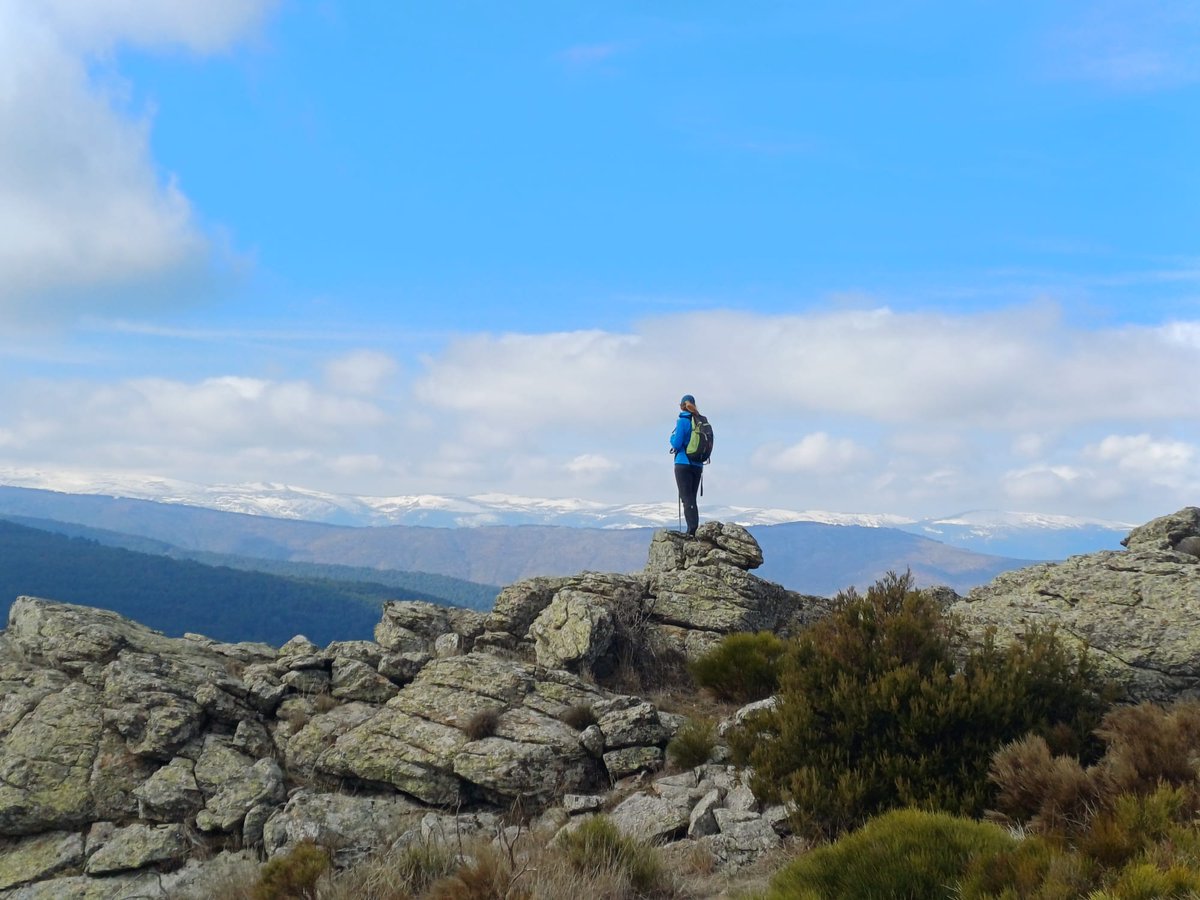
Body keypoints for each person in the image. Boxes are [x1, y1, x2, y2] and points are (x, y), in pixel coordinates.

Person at [670, 393, 704, 536]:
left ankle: (692, 530)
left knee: (686, 498)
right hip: (698, 464)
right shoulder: (700, 421)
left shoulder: (682, 421)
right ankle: (694, 528)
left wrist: (672, 438)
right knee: (692, 498)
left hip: (683, 463)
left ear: (682, 406)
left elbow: (677, 443)